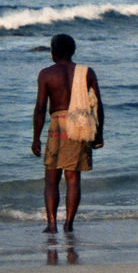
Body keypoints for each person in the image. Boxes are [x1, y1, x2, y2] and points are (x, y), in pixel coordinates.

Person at [32, 33, 103, 232]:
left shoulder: (46, 74)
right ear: (73, 51)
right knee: (73, 179)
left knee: (51, 179)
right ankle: (69, 224)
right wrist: (99, 133)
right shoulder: (86, 72)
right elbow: (98, 105)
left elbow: (39, 108)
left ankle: (52, 223)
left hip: (57, 125)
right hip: (80, 124)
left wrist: (36, 138)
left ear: (53, 53)